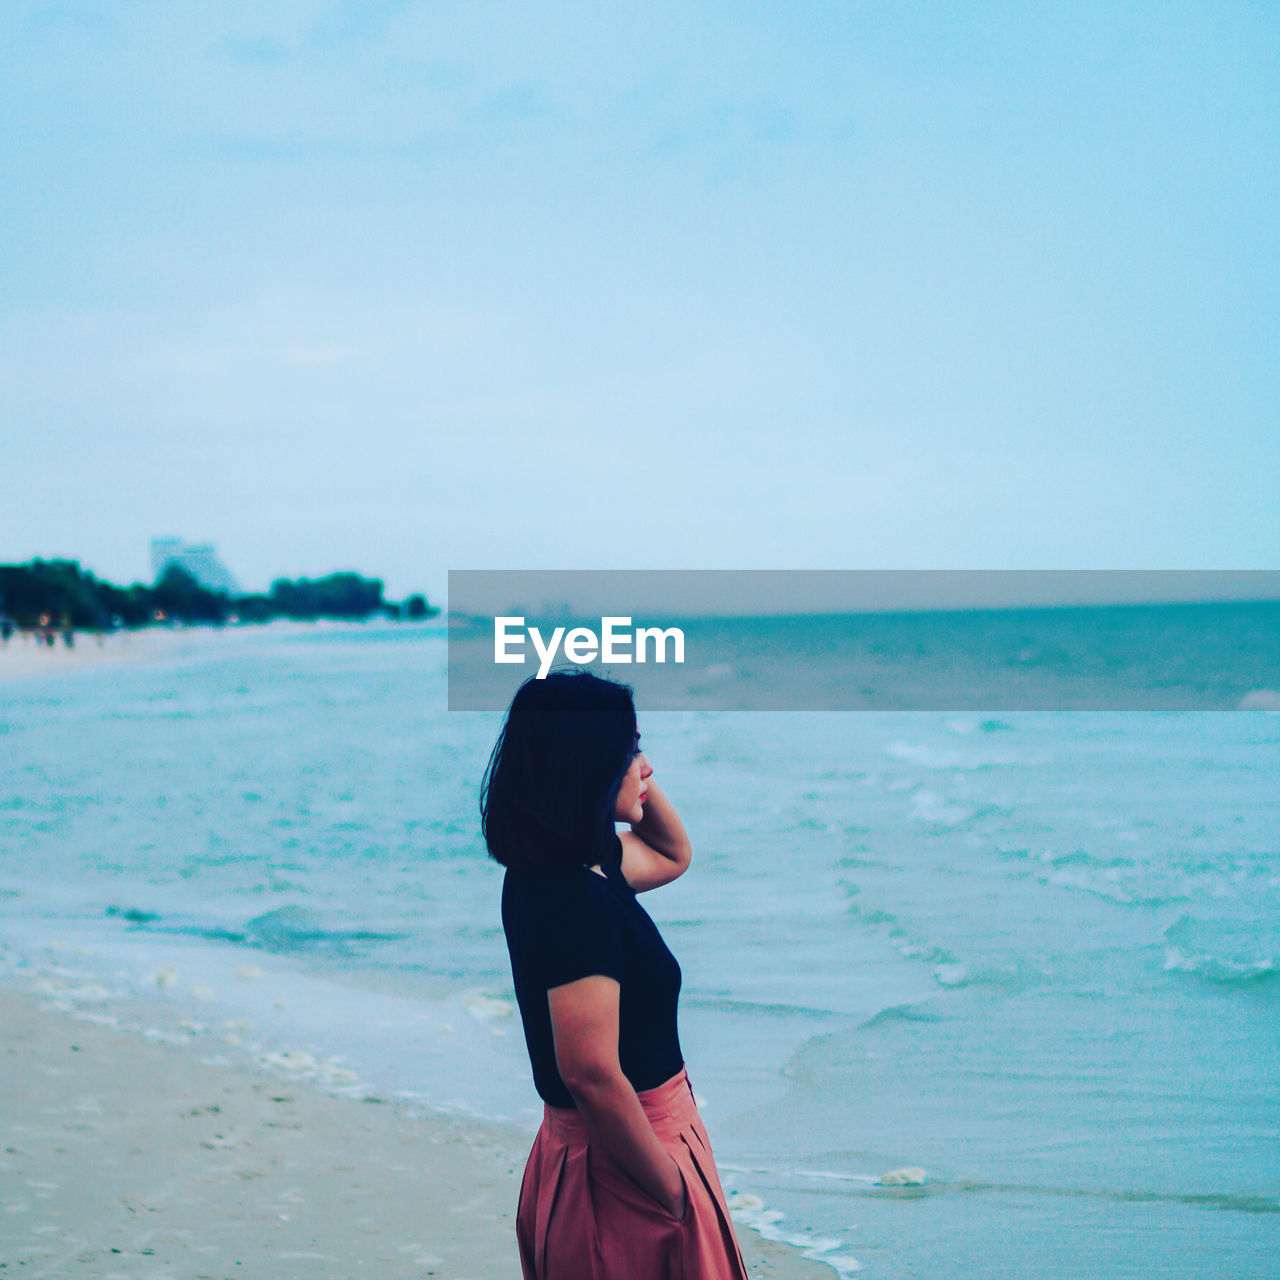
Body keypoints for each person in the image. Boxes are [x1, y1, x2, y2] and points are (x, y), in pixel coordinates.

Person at [482, 671, 749, 1280]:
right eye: (631, 750)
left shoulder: (573, 868)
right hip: (627, 1163)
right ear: (588, 762)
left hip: (626, 1151)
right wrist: (673, 1192)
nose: (648, 765)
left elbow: (675, 855)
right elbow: (592, 1074)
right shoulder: (571, 898)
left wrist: (624, 783)